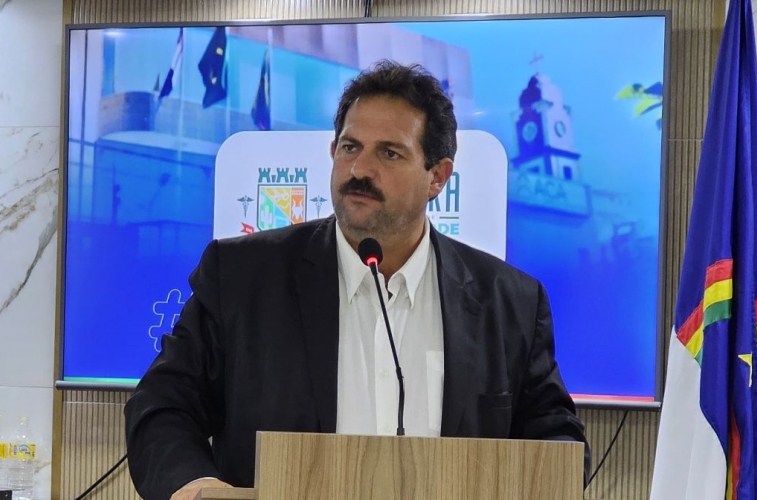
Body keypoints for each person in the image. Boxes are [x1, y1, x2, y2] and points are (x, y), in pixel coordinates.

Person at [125, 60, 590, 500]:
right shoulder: (242, 276)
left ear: (437, 177)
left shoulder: (509, 302)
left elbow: (556, 437)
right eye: (350, 147)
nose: (359, 170)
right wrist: (197, 486)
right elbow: (163, 406)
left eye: (389, 152)